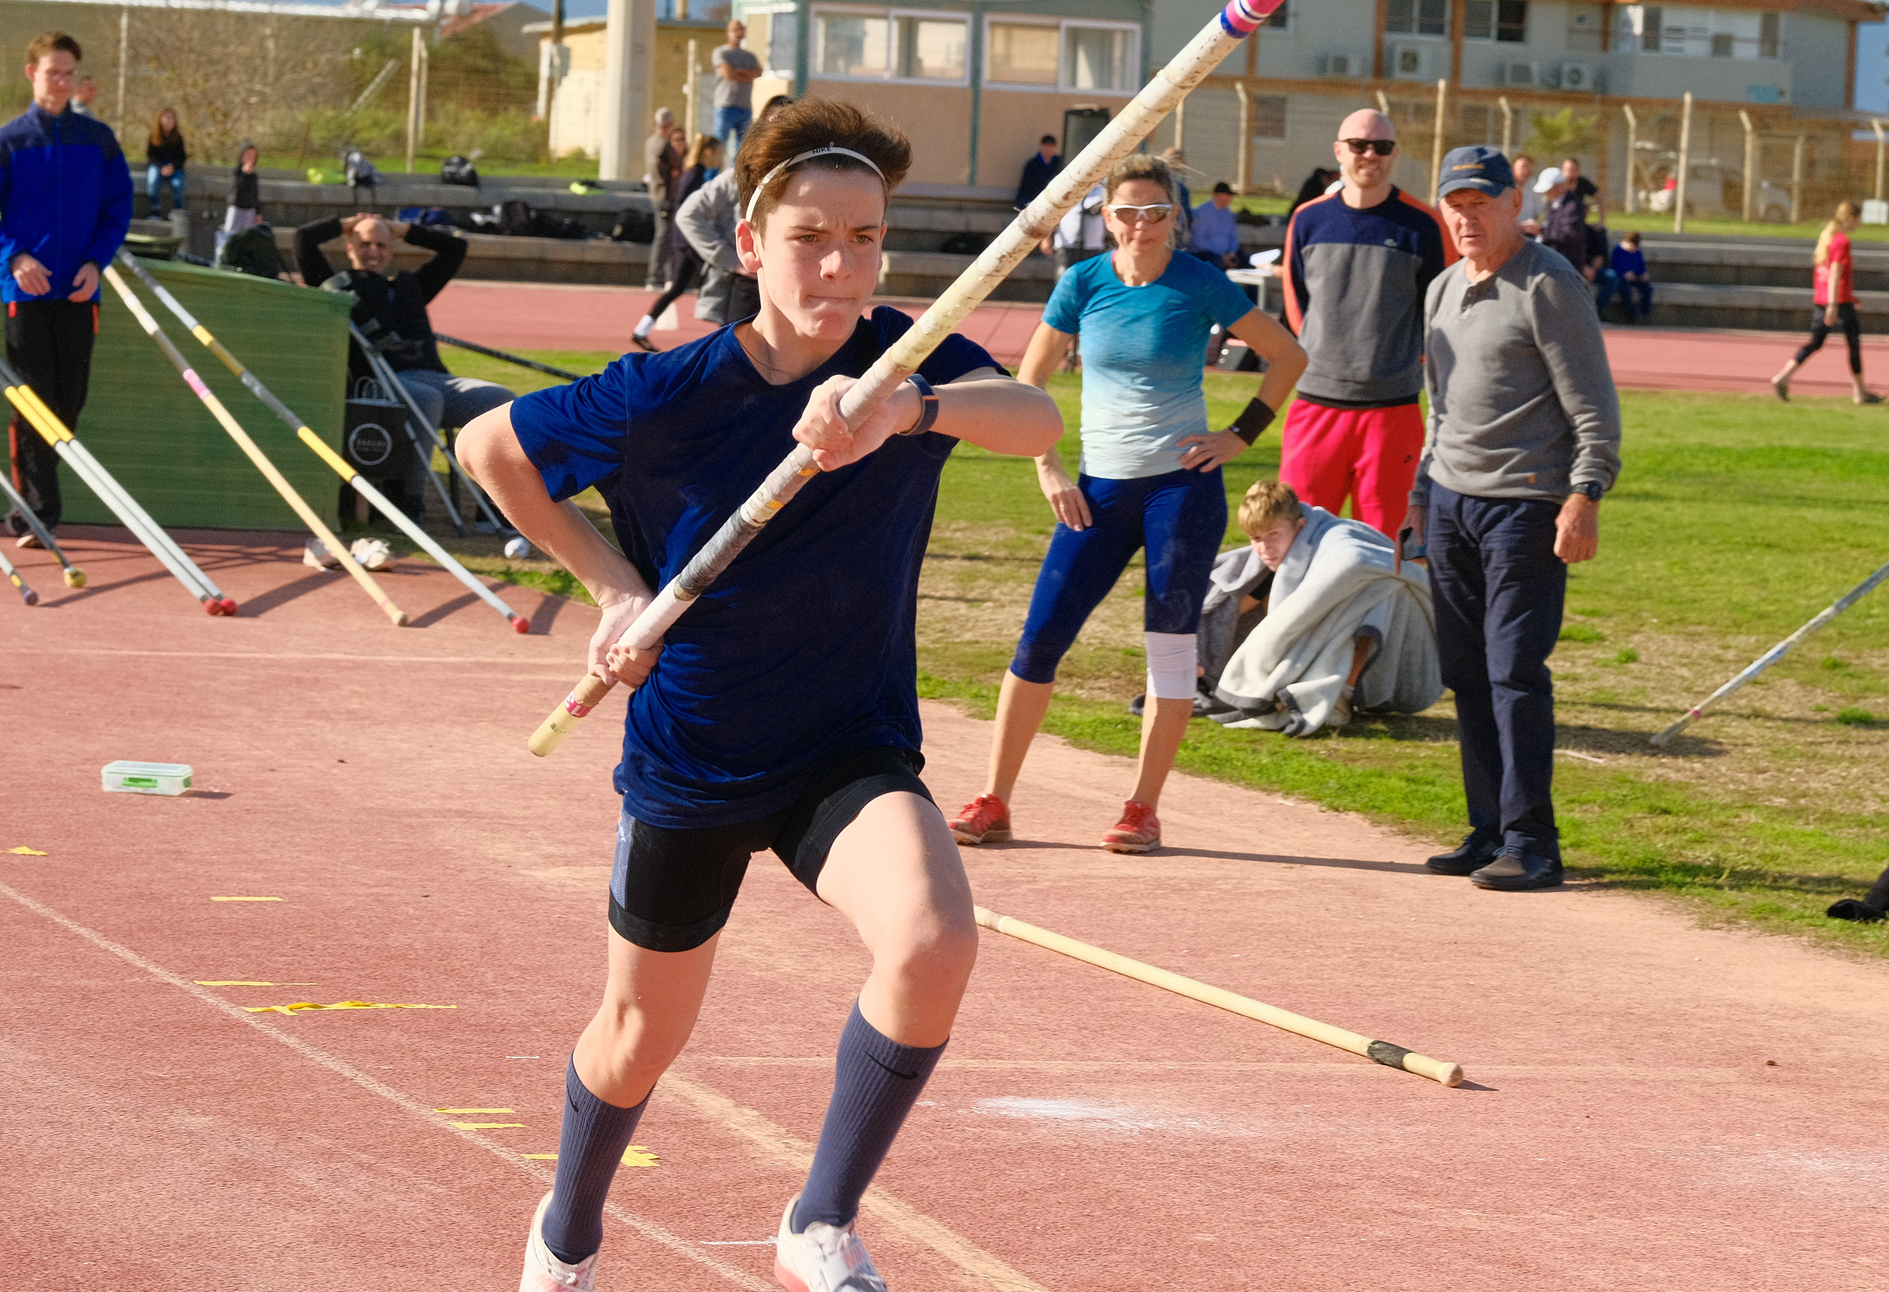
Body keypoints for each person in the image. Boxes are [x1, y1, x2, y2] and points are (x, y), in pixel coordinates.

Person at [456, 97, 1062, 1292]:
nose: (842, 267)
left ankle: (818, 1221)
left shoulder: (902, 363)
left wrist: (907, 413)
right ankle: (566, 1232)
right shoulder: (666, 394)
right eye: (811, 239)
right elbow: (488, 449)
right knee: (640, 1037)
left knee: (933, 941)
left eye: (866, 239)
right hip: (696, 752)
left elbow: (1035, 416)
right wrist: (613, 589)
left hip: (845, 744)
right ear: (748, 245)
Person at [948, 152, 1307, 856]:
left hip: (1180, 490)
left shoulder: (1198, 280)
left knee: (1169, 648)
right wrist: (1049, 467)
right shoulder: (1083, 282)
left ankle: (1142, 808)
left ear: (1175, 217)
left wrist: (1238, 436)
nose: (1142, 224)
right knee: (1039, 639)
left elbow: (1288, 356)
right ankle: (994, 799)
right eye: (1128, 212)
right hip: (1096, 492)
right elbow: (1028, 382)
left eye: (1156, 211)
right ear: (1107, 218)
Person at [1401, 146, 1620, 893]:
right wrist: (1421, 496)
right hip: (1449, 502)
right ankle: (1489, 826)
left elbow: (1594, 407)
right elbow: (1439, 407)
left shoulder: (1549, 283)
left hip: (1526, 503)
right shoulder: (1442, 289)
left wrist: (1584, 495)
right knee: (1464, 672)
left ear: (1513, 204)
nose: (1467, 218)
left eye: (1481, 203)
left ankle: (1533, 840)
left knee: (1514, 670)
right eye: (1454, 205)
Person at [0, 33, 133, 545]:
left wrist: (97, 263)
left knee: (69, 401)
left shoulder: (98, 140)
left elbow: (118, 209)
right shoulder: (8, 141)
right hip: (27, 293)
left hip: (80, 291)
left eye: (68, 73)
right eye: (52, 72)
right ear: (31, 73)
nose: (61, 82)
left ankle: (41, 502)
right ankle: (35, 513)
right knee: (33, 400)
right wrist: (13, 256)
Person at [1276, 108, 1447, 538]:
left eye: (1382, 147)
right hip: (1316, 405)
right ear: (1339, 151)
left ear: (1394, 154)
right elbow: (1296, 302)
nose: (1370, 154)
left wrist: (1397, 366)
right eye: (1359, 145)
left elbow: (1439, 314)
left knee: (1388, 546)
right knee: (1298, 539)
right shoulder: (1308, 219)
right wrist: (1320, 359)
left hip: (1392, 412)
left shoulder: (1424, 225)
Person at [296, 211, 512, 518]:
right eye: (365, 244)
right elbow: (303, 239)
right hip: (382, 382)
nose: (374, 251)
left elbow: (455, 248)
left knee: (501, 400)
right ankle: (410, 501)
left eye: (381, 245)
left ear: (392, 249)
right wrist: (347, 225)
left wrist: (402, 229)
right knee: (428, 400)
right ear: (350, 247)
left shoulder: (412, 285)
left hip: (435, 378)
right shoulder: (336, 286)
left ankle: (494, 506)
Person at [1198, 480, 1438, 737]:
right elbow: (1226, 608)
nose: (1264, 548)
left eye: (1273, 535)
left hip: (1407, 655)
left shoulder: (1335, 536)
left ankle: (1343, 693)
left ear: (1301, 526)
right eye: (1256, 538)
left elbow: (1357, 559)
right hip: (1353, 652)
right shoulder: (1273, 558)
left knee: (1379, 588)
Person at [1772, 202, 1884, 404]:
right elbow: (1834, 272)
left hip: (1824, 299)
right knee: (1853, 344)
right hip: (1838, 302)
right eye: (1858, 219)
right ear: (1850, 218)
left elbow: (1822, 274)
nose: (1859, 223)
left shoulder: (1827, 237)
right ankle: (1860, 392)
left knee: (1815, 342)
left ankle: (1783, 377)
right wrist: (1833, 304)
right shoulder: (1841, 241)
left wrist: (1839, 297)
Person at [630, 135, 724, 350]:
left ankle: (641, 330)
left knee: (680, 287)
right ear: (708, 152)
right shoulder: (695, 175)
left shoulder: (696, 173)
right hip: (689, 241)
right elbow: (684, 209)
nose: (721, 159)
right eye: (719, 153)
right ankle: (730, 335)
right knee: (719, 281)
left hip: (686, 240)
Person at [675, 158, 761, 329]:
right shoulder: (736, 178)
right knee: (739, 341)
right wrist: (731, 259)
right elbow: (687, 215)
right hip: (745, 284)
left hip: (787, 285)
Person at [632, 108, 687, 346]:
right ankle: (656, 276)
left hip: (657, 194)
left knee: (663, 236)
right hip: (664, 195)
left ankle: (659, 275)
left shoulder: (650, 142)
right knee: (664, 236)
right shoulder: (663, 144)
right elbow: (678, 163)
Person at [710, 20, 762, 149]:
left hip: (745, 107)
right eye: (734, 30)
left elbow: (758, 72)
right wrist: (746, 75)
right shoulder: (721, 52)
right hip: (725, 105)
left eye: (741, 29)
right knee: (719, 144)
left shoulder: (750, 56)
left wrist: (739, 73)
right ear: (728, 32)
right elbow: (728, 73)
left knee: (743, 147)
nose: (738, 33)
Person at [214, 143, 261, 261]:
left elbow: (255, 195)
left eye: (253, 156)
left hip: (250, 211)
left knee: (247, 240)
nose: (250, 158)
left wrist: (258, 212)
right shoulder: (236, 173)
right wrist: (245, 174)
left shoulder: (254, 176)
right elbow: (235, 192)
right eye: (248, 155)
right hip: (236, 209)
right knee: (229, 237)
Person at [143, 108, 187, 221]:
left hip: (173, 167)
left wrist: (172, 167)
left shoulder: (178, 138)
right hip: (157, 166)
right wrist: (161, 168)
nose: (169, 121)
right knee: (152, 179)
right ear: (160, 120)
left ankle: (177, 212)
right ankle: (155, 210)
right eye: (166, 118)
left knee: (177, 184)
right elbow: (151, 156)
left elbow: (182, 157)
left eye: (171, 118)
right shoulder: (153, 136)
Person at [1190, 181, 1242, 267]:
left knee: (1245, 260)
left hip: (1226, 253)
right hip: (1205, 253)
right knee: (1216, 261)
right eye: (1226, 195)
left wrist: (1232, 252)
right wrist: (1221, 255)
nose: (1229, 198)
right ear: (1217, 195)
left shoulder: (1228, 214)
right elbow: (1199, 241)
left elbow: (1233, 236)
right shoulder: (1202, 213)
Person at [1605, 231, 1651, 323]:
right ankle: (1631, 315)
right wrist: (1624, 273)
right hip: (1623, 277)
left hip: (1635, 277)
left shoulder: (1637, 252)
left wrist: (1643, 274)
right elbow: (1615, 266)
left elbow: (1641, 266)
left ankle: (1644, 315)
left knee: (1647, 289)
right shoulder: (1618, 249)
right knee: (1626, 290)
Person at [1015, 133, 1064, 207]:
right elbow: (1026, 187)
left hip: (1054, 198)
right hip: (1033, 198)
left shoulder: (1059, 163)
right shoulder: (1032, 164)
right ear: (1041, 147)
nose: (1048, 149)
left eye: (1051, 147)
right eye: (1046, 146)